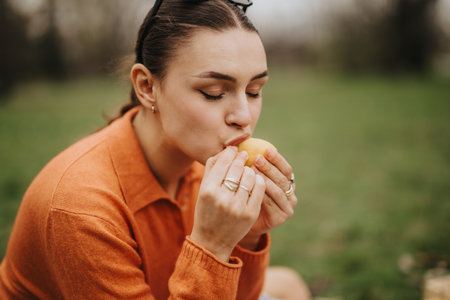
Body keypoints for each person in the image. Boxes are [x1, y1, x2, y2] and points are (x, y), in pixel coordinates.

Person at [0, 0, 311, 299]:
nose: (244, 116)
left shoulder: (206, 167)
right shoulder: (80, 209)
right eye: (213, 93)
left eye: (254, 91)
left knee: (289, 285)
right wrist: (212, 247)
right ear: (147, 87)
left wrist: (247, 237)